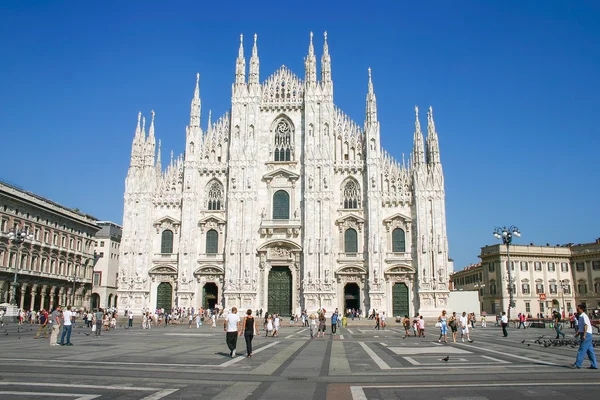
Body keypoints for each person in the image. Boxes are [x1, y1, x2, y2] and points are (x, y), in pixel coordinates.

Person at [570, 304, 598, 369]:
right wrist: (578, 333)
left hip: (586, 334)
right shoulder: (581, 316)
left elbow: (586, 325)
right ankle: (594, 365)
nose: (577, 310)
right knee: (590, 350)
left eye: (578, 309)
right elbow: (582, 327)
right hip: (586, 333)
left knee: (581, 349)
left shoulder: (584, 316)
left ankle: (578, 364)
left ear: (581, 309)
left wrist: (584, 334)